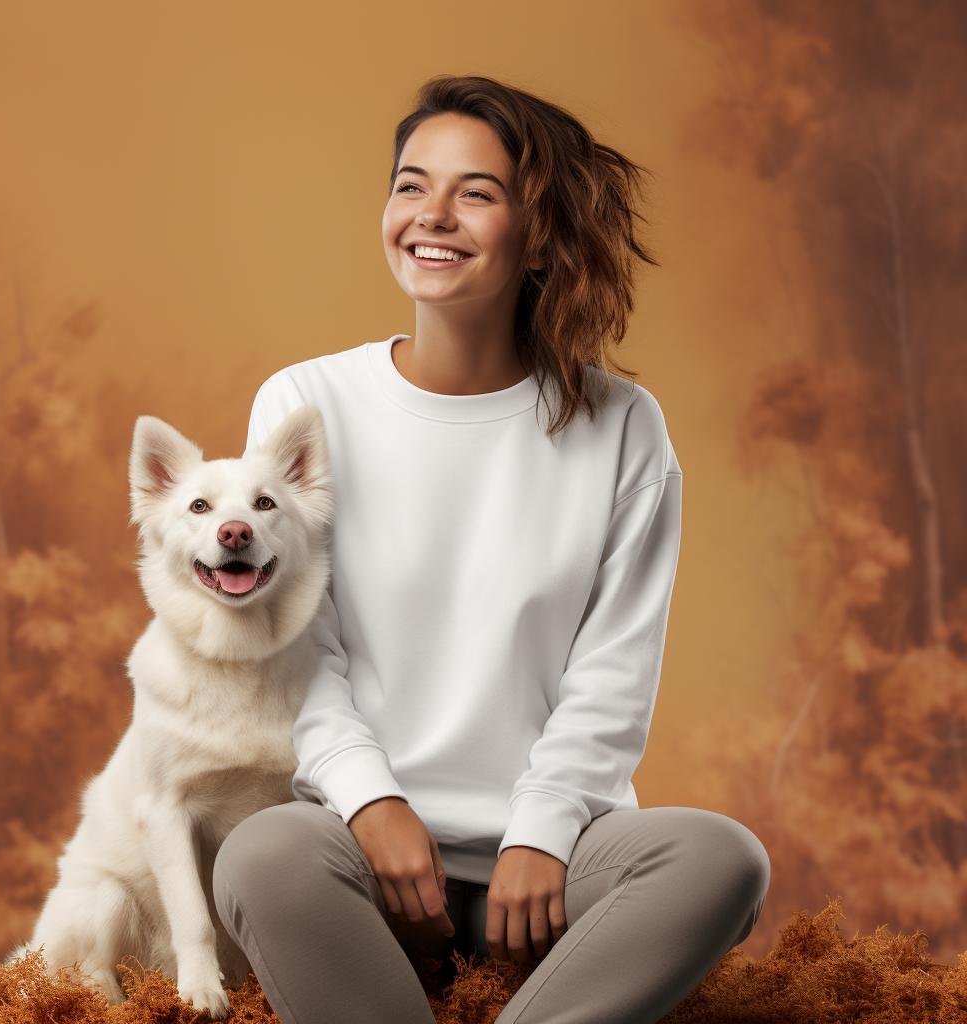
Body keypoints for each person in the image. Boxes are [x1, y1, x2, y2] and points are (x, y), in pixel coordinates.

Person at [212, 74, 770, 1024]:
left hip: (557, 875)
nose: (431, 216)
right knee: (262, 855)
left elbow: (615, 671)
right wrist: (371, 806)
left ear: (540, 230)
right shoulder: (308, 404)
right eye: (409, 184)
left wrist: (544, 833)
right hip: (360, 856)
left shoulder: (624, 427)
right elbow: (299, 650)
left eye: (476, 193)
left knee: (722, 860)